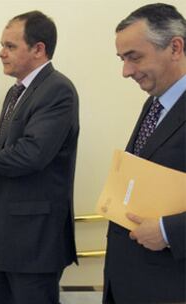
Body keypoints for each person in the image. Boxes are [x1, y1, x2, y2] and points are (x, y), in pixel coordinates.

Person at [0, 11, 79, 304]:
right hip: (2, 241)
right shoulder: (15, 92)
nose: (1, 53)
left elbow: (31, 155)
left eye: (10, 46)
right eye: (2, 45)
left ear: (38, 49)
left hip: (34, 245)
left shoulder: (57, 89)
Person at [103, 3, 186, 304]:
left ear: (175, 47)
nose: (126, 72)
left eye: (134, 57)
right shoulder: (154, 104)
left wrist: (169, 230)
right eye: (122, 59)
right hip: (128, 281)